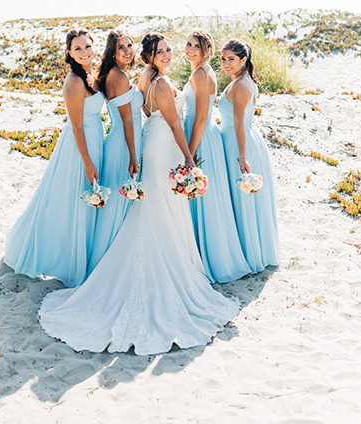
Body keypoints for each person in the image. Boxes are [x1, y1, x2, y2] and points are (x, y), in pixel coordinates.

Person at [38, 33, 239, 355]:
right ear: (150, 55)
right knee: (160, 207)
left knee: (155, 207)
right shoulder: (155, 81)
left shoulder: (145, 76)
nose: (169, 54)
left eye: (170, 50)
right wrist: (189, 158)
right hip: (164, 145)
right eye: (161, 51)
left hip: (152, 143)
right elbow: (173, 124)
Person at [4, 29, 104, 287]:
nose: (84, 52)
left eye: (87, 46)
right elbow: (77, 126)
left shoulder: (91, 75)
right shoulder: (73, 82)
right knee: (69, 200)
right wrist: (88, 161)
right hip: (79, 147)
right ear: (69, 53)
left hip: (95, 139)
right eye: (78, 48)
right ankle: (64, 259)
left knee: (85, 201)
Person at [183, 31, 250, 282]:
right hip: (203, 134)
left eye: (196, 46)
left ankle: (207, 259)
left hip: (200, 136)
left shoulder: (201, 74)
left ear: (206, 51)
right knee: (204, 199)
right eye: (188, 44)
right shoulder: (202, 72)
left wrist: (190, 153)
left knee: (203, 199)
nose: (190, 49)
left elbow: (200, 116)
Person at [218, 38, 280, 273]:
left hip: (240, 144)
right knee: (243, 200)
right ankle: (250, 249)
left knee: (244, 199)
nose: (226, 63)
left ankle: (250, 253)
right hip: (240, 141)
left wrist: (242, 156)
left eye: (231, 59)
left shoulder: (241, 84)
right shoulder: (240, 81)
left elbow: (239, 123)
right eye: (223, 59)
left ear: (243, 60)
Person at [86, 30, 143, 273]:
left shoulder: (114, 73)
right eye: (122, 47)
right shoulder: (118, 76)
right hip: (123, 143)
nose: (128, 50)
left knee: (119, 202)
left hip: (120, 140)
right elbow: (127, 121)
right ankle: (108, 265)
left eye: (130, 45)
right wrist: (132, 155)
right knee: (120, 202)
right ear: (112, 51)